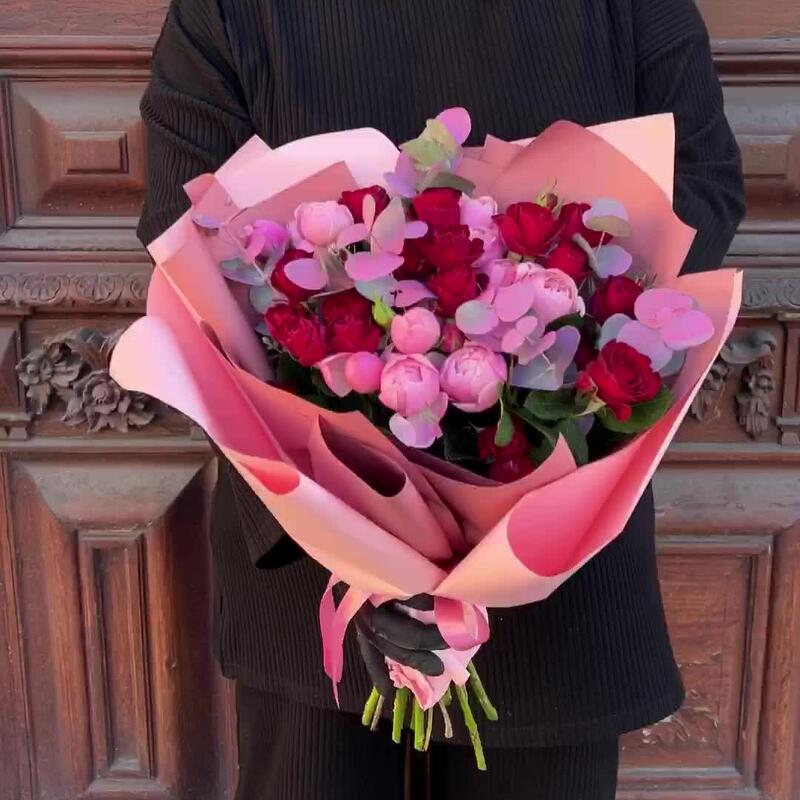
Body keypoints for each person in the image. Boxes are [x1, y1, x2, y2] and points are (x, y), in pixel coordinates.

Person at [138, 1, 745, 797]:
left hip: (550, 560)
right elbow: (189, 246)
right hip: (330, 567)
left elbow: (698, 188)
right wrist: (352, 543)